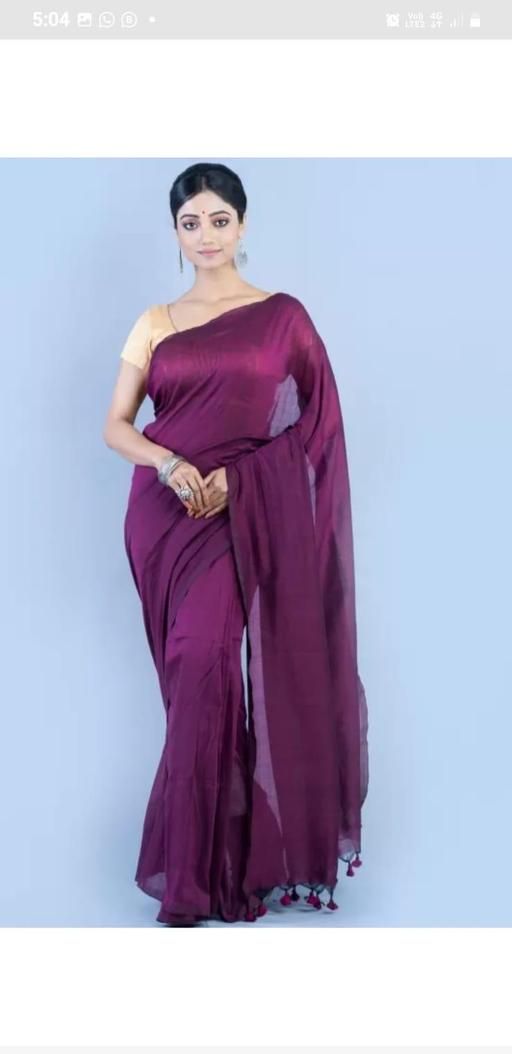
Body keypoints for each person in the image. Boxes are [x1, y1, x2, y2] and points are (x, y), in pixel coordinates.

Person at [103, 161, 369, 926]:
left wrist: (241, 481)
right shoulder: (155, 321)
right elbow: (117, 425)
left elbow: (318, 423)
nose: (206, 235)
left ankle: (200, 877)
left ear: (242, 225)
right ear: (175, 233)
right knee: (195, 678)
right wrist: (170, 464)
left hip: (240, 516)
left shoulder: (282, 318)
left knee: (205, 665)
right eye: (191, 223)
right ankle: (217, 867)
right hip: (164, 521)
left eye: (219, 220)